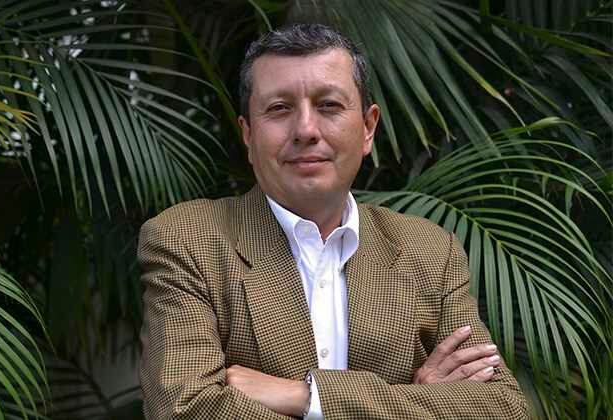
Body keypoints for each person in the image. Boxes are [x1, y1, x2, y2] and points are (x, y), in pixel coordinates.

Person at [138, 23, 528, 419]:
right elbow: (183, 409)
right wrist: (417, 401)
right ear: (249, 135)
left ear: (368, 128)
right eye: (279, 108)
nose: (306, 130)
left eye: (328, 105)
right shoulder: (187, 239)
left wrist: (308, 397)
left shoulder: (430, 252)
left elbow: (505, 408)